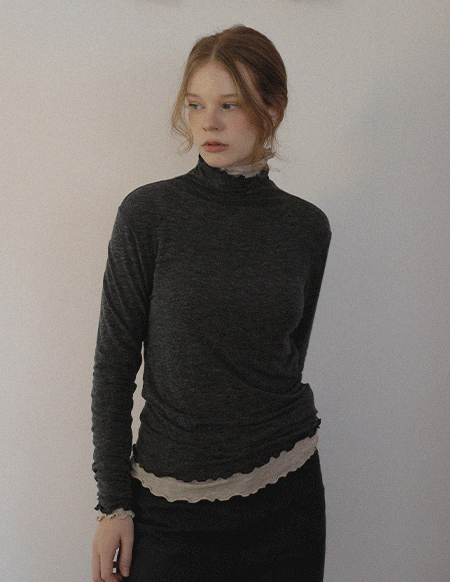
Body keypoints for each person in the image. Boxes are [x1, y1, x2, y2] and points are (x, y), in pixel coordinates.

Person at [91, 24, 331, 582]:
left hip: (287, 496)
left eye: (230, 104)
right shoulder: (147, 216)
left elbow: (287, 357)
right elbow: (113, 368)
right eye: (196, 105)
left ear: (272, 110)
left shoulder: (306, 227)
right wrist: (113, 505)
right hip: (169, 506)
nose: (209, 123)